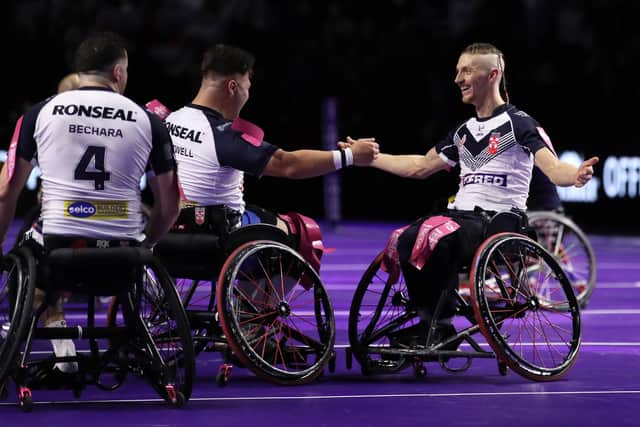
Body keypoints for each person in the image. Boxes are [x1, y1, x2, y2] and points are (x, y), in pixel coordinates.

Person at [342, 42, 598, 344]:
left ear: (492, 75)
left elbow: (554, 169)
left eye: (466, 70)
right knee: (404, 237)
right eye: (457, 71)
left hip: (498, 222)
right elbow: (420, 166)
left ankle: (438, 324)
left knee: (431, 234)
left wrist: (575, 175)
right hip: (460, 219)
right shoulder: (463, 131)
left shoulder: (520, 124)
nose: (458, 79)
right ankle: (432, 321)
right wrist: (369, 159)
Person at [0, 32, 180, 374]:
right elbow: (169, 206)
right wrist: (148, 245)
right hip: (125, 255)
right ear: (117, 72)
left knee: (28, 269)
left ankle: (62, 347)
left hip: (57, 252)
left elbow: (6, 192)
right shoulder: (149, 121)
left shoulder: (39, 114)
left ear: (80, 70)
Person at [163, 44, 378, 240]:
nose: (247, 95)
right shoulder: (222, 135)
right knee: (302, 232)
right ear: (232, 87)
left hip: (171, 229)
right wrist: (350, 156)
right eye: (247, 87)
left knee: (259, 214)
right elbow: (289, 164)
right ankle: (251, 284)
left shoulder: (170, 120)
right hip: (218, 234)